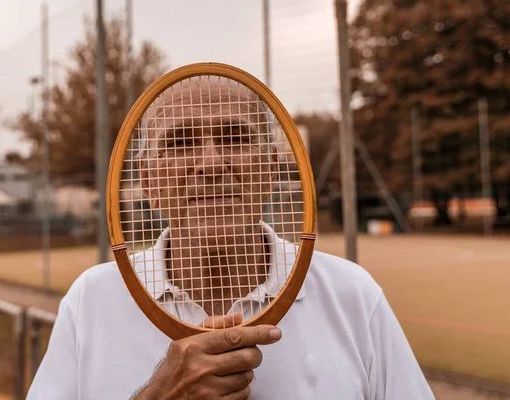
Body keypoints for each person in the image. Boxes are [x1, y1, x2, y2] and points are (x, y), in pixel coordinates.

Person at [26, 78, 435, 400]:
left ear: (273, 167)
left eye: (235, 137)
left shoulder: (353, 296)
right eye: (180, 143)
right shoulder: (91, 300)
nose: (210, 164)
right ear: (147, 180)